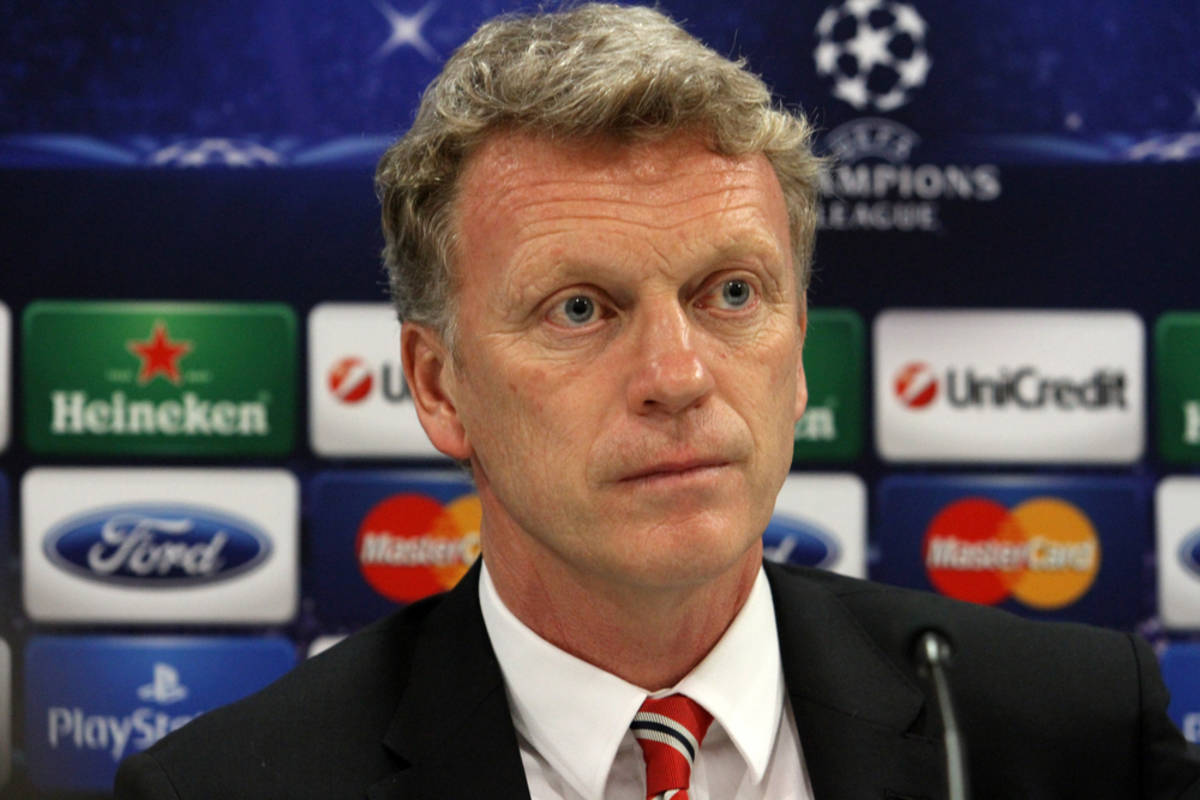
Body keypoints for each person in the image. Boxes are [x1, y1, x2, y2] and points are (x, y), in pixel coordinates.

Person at [116, 4, 1200, 799]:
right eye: (580, 308)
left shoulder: (1069, 733)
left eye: (731, 293)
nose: (678, 377)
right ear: (440, 387)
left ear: (799, 346)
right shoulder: (228, 787)